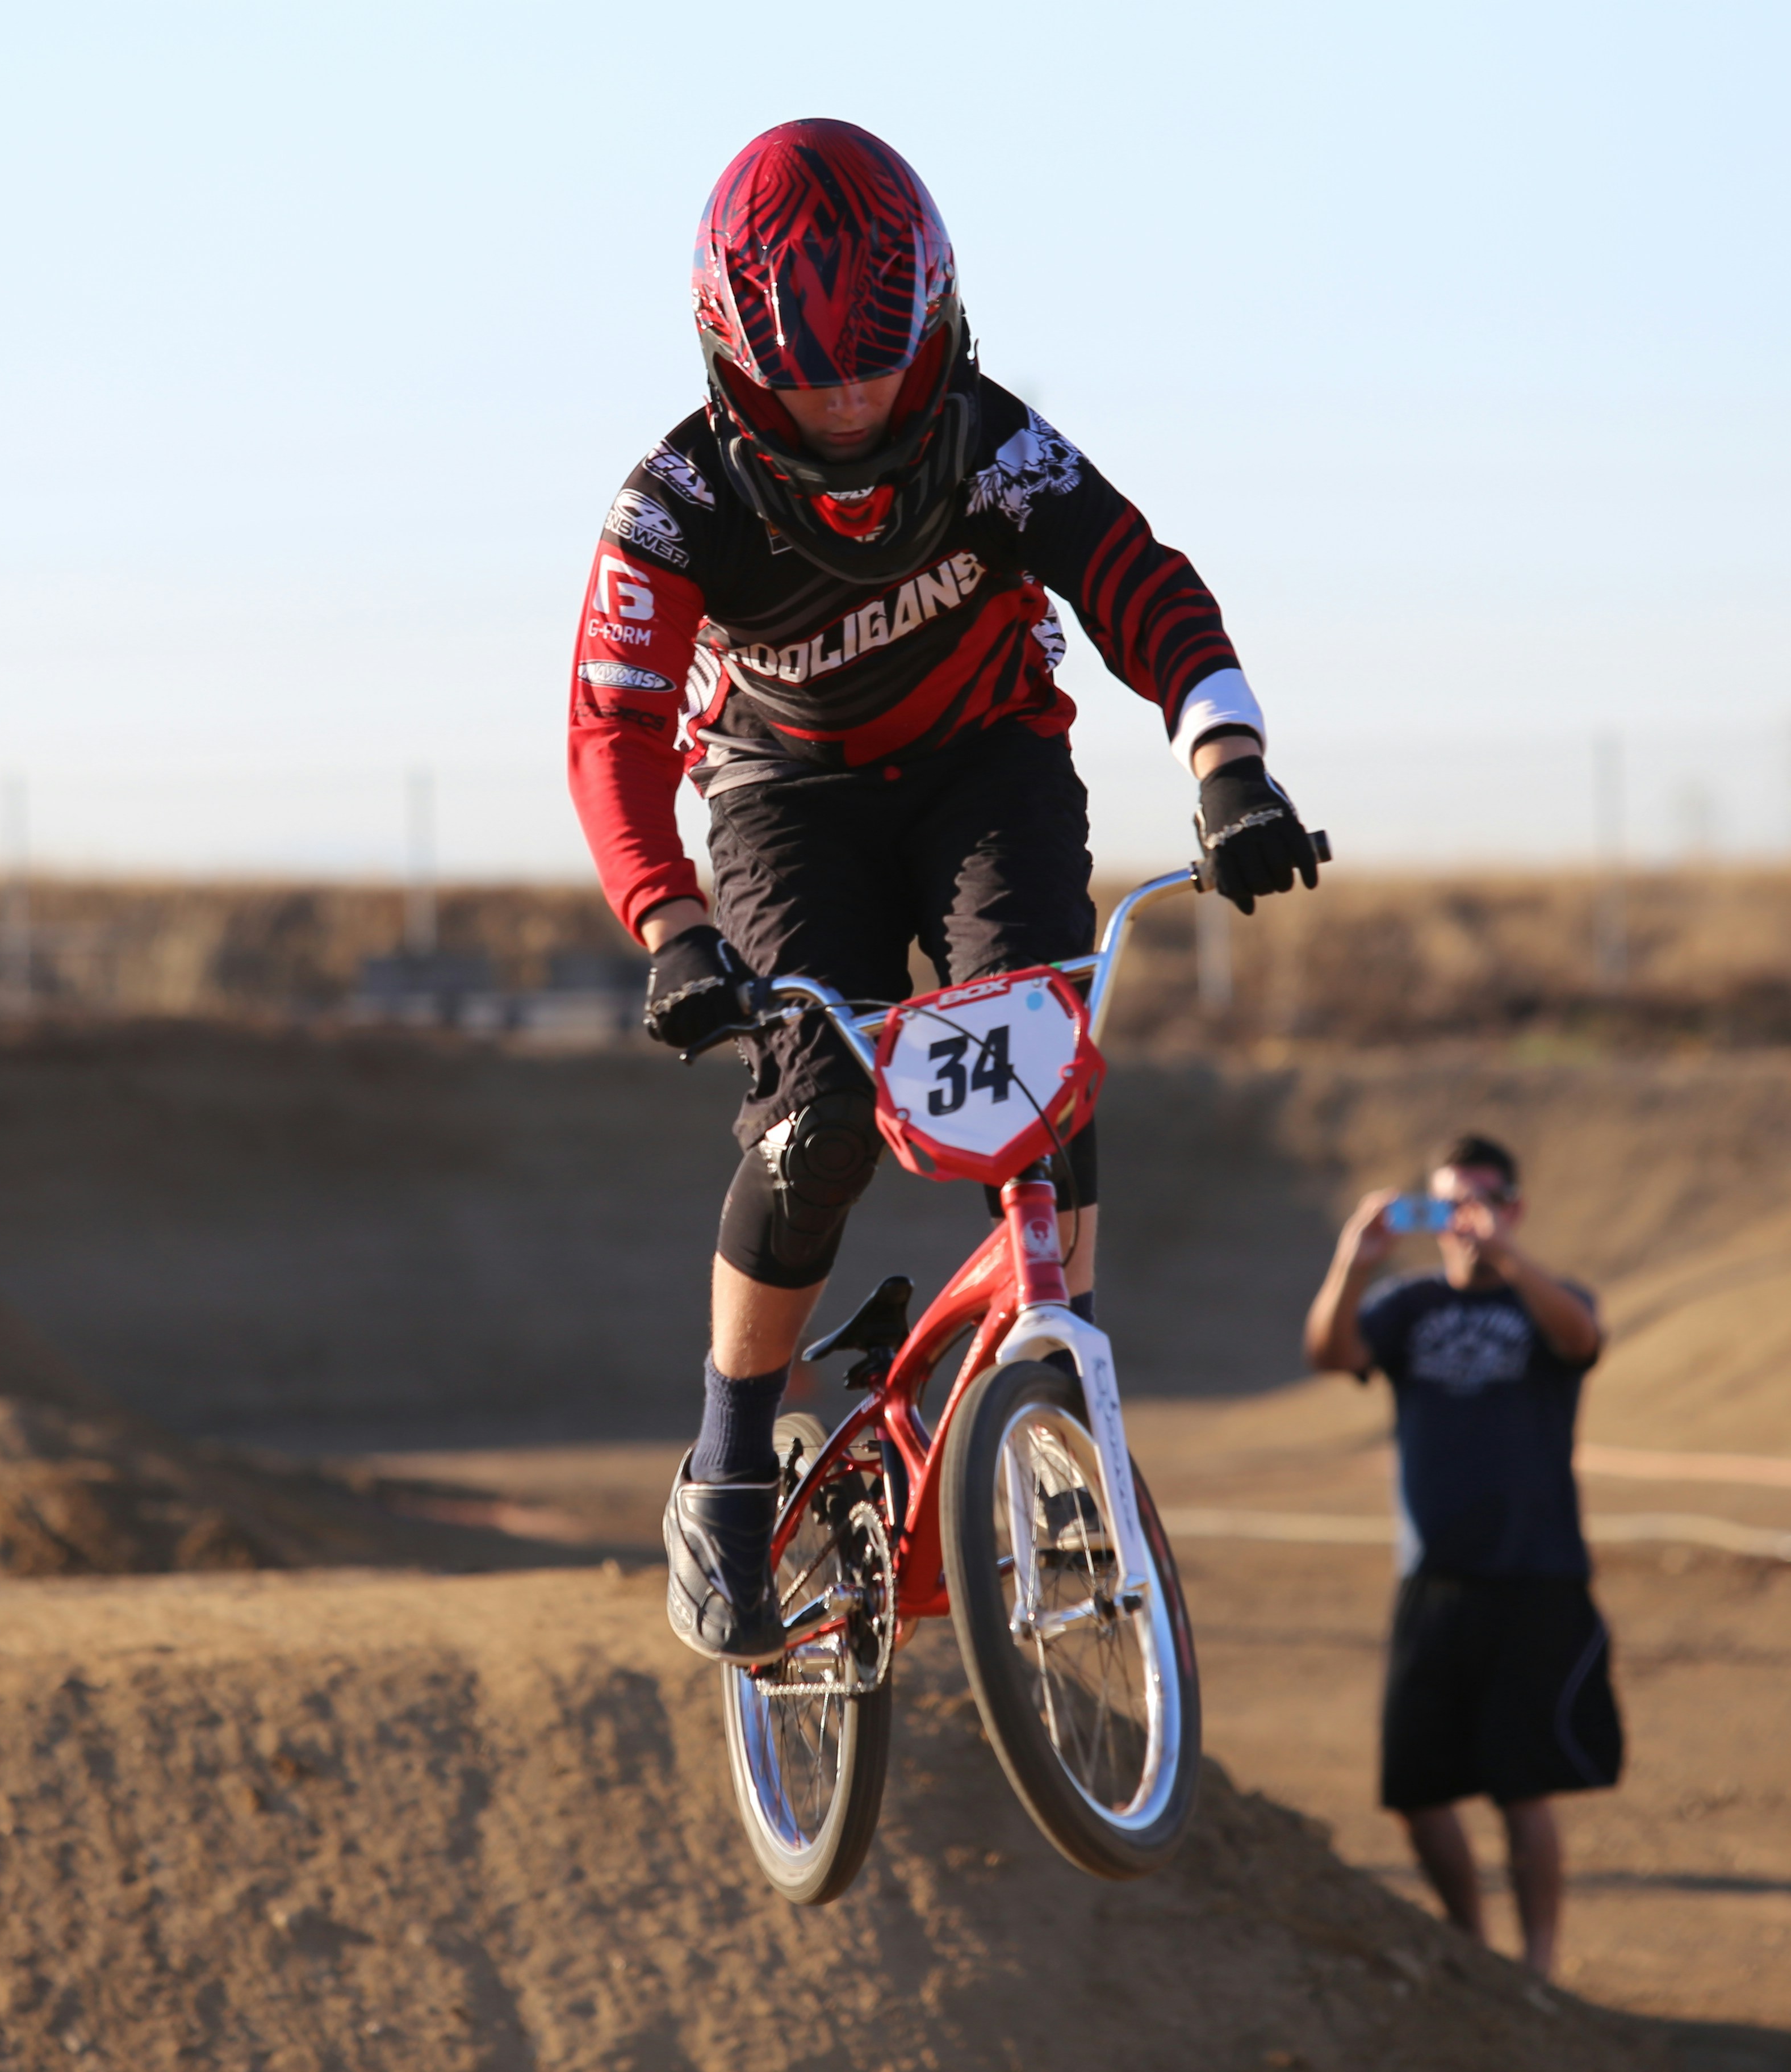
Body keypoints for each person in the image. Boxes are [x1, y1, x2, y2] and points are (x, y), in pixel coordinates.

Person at [565, 118, 1325, 1666]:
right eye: (813, 382)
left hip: (988, 770)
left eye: (878, 368)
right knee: (819, 1119)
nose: (852, 407)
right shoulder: (673, 504)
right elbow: (613, 728)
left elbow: (1139, 582)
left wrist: (1228, 764)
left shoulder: (993, 444)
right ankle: (726, 1466)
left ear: (939, 322)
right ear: (733, 363)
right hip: (784, 803)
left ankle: (1062, 1382)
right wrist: (670, 925)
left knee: (1038, 1056)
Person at [1301, 1132, 1622, 1978]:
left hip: (1536, 1572)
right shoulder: (1407, 1306)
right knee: (1416, 1789)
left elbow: (1582, 1340)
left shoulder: (1548, 1297)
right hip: (1434, 1575)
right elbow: (1331, 1355)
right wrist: (1353, 1265)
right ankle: (1474, 1956)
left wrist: (1509, 1259)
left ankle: (1539, 1967)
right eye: (1448, 1204)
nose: (1465, 1219)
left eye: (1482, 1201)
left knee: (1523, 1784)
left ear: (1515, 1208)